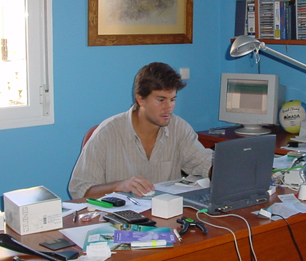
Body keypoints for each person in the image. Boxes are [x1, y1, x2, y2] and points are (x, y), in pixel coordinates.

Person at [68, 62, 213, 199]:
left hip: (166, 211)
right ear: (140, 99)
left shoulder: (179, 128)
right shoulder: (107, 133)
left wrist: (219, 169)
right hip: (120, 214)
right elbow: (80, 190)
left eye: (172, 99)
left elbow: (203, 163)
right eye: (161, 100)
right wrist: (119, 186)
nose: (168, 107)